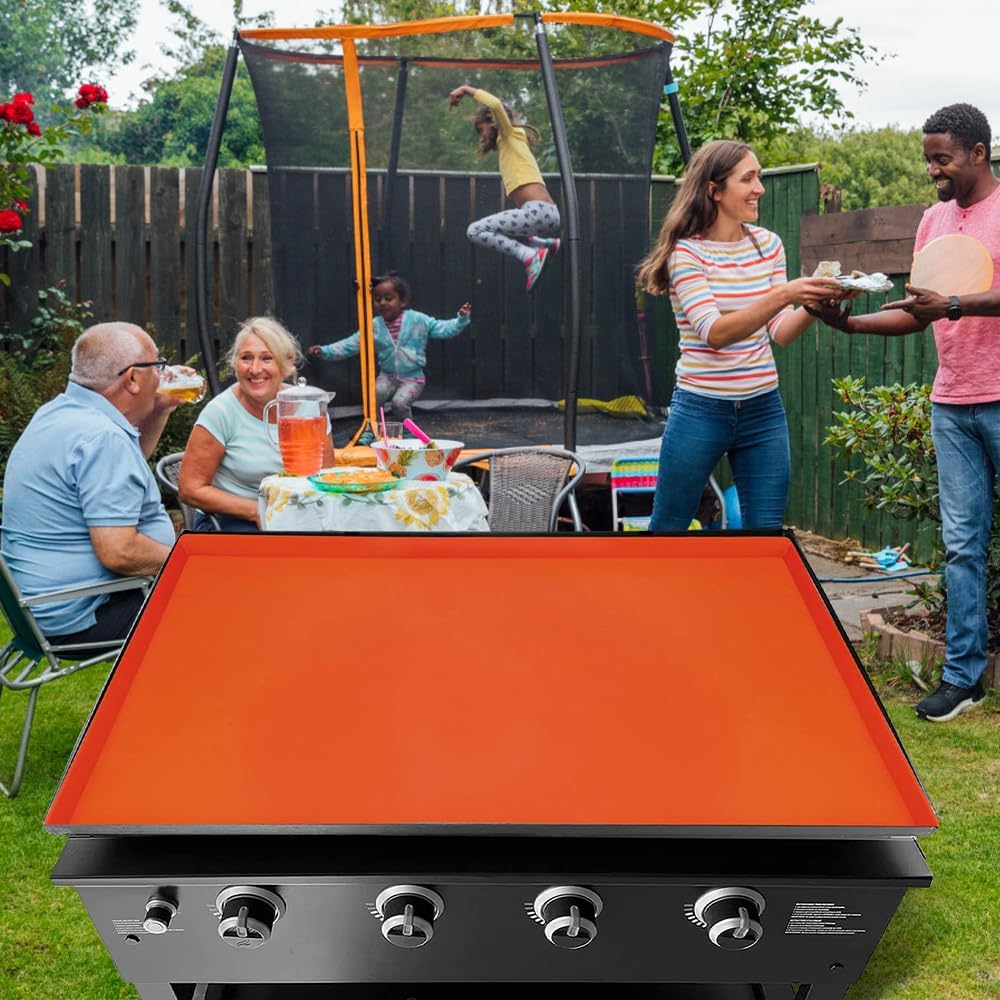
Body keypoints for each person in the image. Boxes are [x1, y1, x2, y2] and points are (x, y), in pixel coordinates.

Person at [813, 103, 1000, 722]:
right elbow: (919, 311)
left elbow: (950, 304)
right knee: (963, 546)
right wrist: (850, 323)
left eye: (942, 159)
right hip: (952, 404)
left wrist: (955, 304)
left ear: (978, 153)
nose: (932, 170)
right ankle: (963, 679)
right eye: (928, 160)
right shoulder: (933, 222)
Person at [635, 139, 843, 532]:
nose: (759, 188)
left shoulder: (768, 245)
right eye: (748, 179)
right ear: (714, 190)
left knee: (766, 533)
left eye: (758, 177)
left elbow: (780, 331)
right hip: (700, 409)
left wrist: (817, 305)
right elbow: (714, 333)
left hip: (763, 410)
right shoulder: (687, 254)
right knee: (668, 528)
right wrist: (786, 294)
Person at [1, 322, 184, 645]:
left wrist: (159, 411)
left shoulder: (59, 414)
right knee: (219, 606)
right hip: (84, 610)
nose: (163, 375)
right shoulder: (102, 438)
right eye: (157, 365)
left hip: (38, 606)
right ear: (132, 379)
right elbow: (119, 552)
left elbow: (116, 475)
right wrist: (188, 561)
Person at [180, 316, 335, 532]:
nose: (255, 369)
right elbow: (190, 489)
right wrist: (256, 511)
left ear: (286, 363)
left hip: (296, 517)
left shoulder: (310, 408)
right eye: (246, 358)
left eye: (266, 358)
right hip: (231, 521)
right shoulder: (221, 412)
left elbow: (325, 478)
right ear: (235, 364)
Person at [307, 272, 471, 421]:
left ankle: (408, 433)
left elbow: (443, 329)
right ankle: (374, 428)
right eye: (378, 299)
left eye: (388, 298)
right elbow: (349, 345)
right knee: (373, 398)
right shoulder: (374, 326)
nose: (383, 303)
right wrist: (324, 351)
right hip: (387, 376)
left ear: (402, 301)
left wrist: (461, 320)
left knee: (399, 404)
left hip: (413, 378)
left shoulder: (417, 320)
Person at [448, 84, 560, 292]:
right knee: (504, 228)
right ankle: (544, 244)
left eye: (481, 130)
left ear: (493, 122)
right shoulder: (509, 144)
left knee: (475, 231)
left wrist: (465, 89)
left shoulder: (508, 134)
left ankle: (529, 255)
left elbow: (495, 104)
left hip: (538, 212)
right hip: (545, 214)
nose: (481, 137)